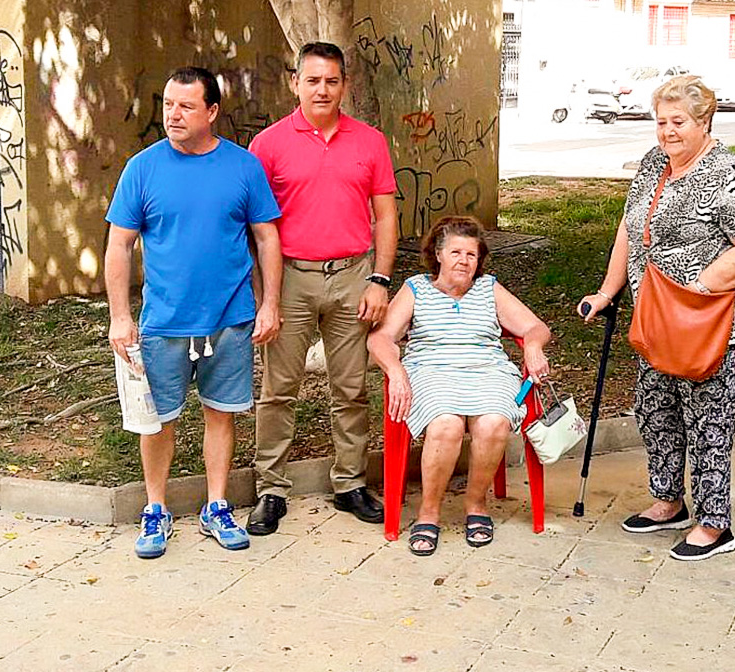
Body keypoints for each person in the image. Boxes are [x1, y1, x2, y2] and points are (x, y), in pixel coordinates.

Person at [577, 75, 735, 562]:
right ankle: (668, 501)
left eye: (678, 122)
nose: (667, 131)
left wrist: (702, 288)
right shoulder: (654, 164)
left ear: (704, 121)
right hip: (657, 317)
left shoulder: (728, 174)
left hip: (711, 321)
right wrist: (607, 290)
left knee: (709, 421)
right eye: (661, 122)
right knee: (655, 410)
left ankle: (714, 523)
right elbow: (630, 226)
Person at [105, 67, 283, 559]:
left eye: (185, 106)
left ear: (211, 112)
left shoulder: (243, 167)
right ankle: (156, 509)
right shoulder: (142, 168)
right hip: (162, 322)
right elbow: (119, 245)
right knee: (157, 421)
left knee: (221, 415)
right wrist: (121, 316)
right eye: (167, 104)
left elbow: (267, 237)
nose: (173, 115)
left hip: (230, 318)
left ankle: (216, 505)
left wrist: (269, 304)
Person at [246, 42, 399, 535]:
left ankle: (350, 482)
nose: (322, 90)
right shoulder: (267, 145)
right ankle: (270, 489)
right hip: (289, 277)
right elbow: (256, 226)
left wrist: (379, 279)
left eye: (332, 81)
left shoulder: (370, 141)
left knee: (351, 387)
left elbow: (386, 217)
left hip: (354, 275)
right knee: (277, 389)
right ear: (295, 82)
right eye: (313, 80)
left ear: (344, 86)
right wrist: (265, 296)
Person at [368, 216, 551, 556]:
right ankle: (429, 512)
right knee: (446, 425)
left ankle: (476, 504)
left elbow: (535, 327)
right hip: (431, 371)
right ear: (437, 254)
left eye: (471, 254)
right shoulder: (416, 288)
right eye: (455, 252)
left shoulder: (488, 288)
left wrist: (533, 346)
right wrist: (395, 371)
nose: (464, 261)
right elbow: (380, 338)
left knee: (495, 423)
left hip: (488, 370)